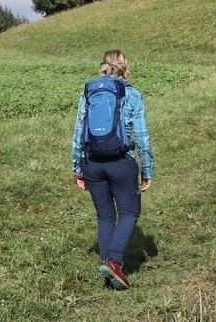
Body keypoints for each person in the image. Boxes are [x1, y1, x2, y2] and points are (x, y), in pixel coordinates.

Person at [72, 50, 154, 291]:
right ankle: (114, 261)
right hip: (121, 162)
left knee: (105, 216)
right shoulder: (133, 94)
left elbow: (78, 132)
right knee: (129, 213)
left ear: (103, 66)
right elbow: (142, 137)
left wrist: (77, 168)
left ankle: (108, 269)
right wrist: (147, 170)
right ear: (125, 66)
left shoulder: (89, 92)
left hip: (92, 162)